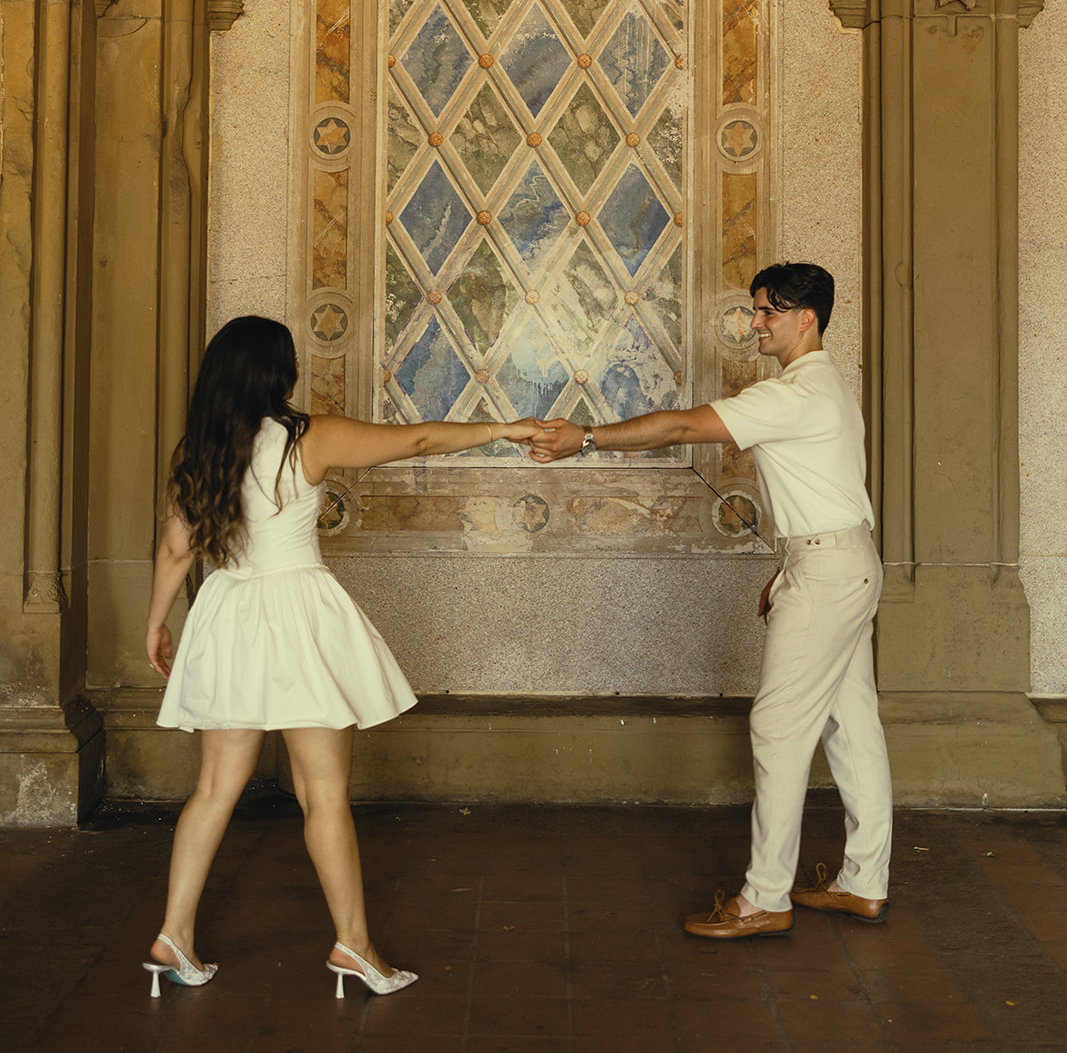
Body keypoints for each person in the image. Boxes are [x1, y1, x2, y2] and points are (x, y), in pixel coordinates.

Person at [144, 314, 537, 998]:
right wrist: (503, 429)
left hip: (229, 614)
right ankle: (353, 946)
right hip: (298, 616)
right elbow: (413, 439)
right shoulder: (307, 436)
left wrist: (155, 624)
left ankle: (173, 933)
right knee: (321, 793)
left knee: (211, 791)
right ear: (279, 371)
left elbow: (177, 549)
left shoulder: (197, 450)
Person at [529, 262, 892, 940]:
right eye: (755, 311)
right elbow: (829, 494)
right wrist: (790, 569)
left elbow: (676, 428)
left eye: (768, 312)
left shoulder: (794, 394)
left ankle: (763, 899)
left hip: (828, 571)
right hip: (842, 562)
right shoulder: (826, 388)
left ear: (805, 318)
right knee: (851, 725)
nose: (754, 324)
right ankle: (862, 883)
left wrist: (586, 438)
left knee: (778, 730)